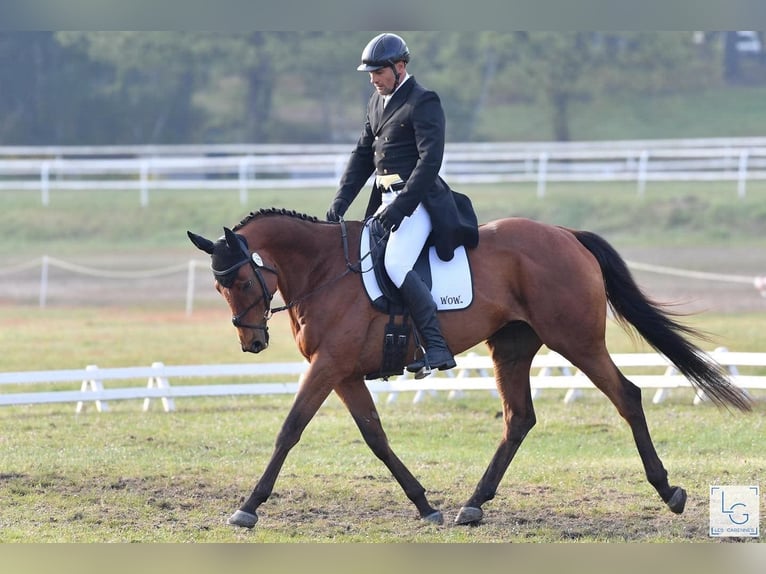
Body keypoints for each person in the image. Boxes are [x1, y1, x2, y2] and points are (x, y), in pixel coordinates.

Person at [326, 32, 479, 376]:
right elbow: (363, 156)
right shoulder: (375, 102)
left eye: (378, 72)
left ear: (400, 66)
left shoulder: (423, 101)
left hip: (419, 201)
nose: (373, 79)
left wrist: (399, 209)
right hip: (384, 201)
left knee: (395, 263)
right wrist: (340, 202)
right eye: (370, 73)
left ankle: (437, 346)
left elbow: (429, 163)